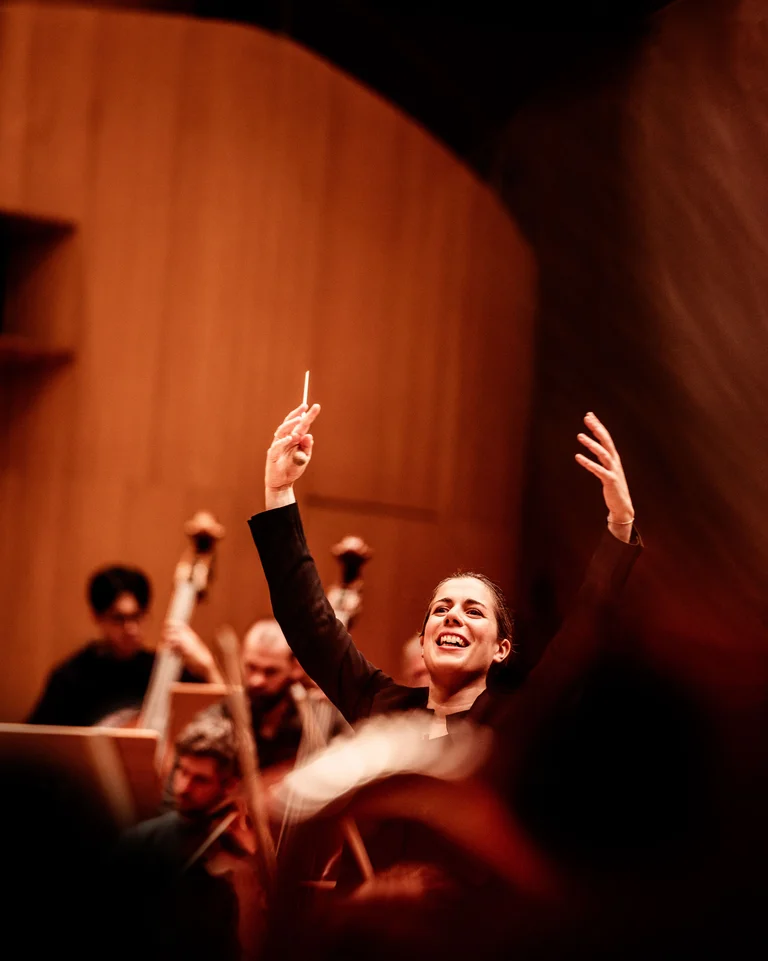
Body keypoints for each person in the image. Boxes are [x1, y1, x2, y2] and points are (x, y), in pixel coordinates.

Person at [249, 403, 640, 738]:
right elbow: (309, 622)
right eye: (441, 609)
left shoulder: (518, 720)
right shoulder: (380, 704)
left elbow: (583, 635)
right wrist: (279, 490)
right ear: (422, 640)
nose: (452, 615)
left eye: (473, 611)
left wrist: (620, 524)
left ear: (501, 649)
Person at [114, 708, 246, 961]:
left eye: (200, 780)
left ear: (230, 786)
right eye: (182, 771)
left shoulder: (239, 853)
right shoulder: (139, 841)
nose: (184, 788)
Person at [27, 565, 209, 726]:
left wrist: (208, 667)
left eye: (137, 617)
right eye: (119, 618)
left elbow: (220, 716)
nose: (131, 629)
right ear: (97, 617)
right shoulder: (70, 678)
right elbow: (36, 746)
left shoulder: (162, 669)